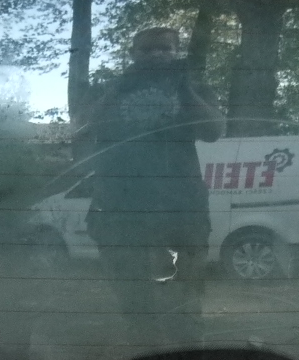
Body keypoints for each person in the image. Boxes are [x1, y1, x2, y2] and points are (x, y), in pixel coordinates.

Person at [76, 26, 224, 330]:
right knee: (131, 292)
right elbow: (84, 127)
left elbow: (213, 131)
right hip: (120, 205)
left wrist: (184, 88)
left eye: (166, 48)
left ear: (176, 52)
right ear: (132, 54)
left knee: (187, 293)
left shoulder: (195, 88)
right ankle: (143, 342)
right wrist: (119, 88)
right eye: (147, 49)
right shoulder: (107, 89)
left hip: (182, 205)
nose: (157, 54)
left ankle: (186, 345)